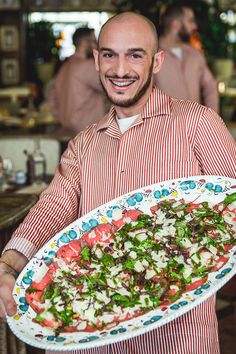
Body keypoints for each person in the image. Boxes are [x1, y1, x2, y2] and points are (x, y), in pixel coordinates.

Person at [0, 12, 235, 354]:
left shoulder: (197, 124)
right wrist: (9, 263)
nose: (120, 69)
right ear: (96, 59)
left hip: (179, 339)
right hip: (92, 334)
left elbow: (231, 202)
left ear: (156, 62)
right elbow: (51, 208)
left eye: (135, 55)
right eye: (109, 54)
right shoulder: (84, 143)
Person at [153, 2, 219, 112]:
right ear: (176, 25)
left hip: (195, 127)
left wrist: (213, 119)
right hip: (165, 127)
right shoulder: (153, 55)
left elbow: (210, 88)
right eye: (190, 21)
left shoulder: (194, 54)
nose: (194, 26)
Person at [47, 27, 105, 133]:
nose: (97, 46)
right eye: (95, 41)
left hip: (67, 130)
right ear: (85, 43)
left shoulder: (65, 66)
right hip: (88, 132)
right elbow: (110, 88)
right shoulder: (87, 66)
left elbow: (51, 100)